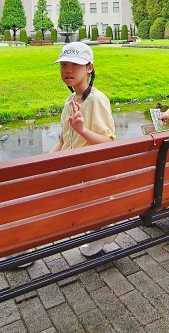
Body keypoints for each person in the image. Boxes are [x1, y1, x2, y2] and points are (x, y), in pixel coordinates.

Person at [51, 42, 117, 257]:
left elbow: (109, 143)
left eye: (75, 64)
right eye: (64, 64)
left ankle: (21, 248)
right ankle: (100, 229)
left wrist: (82, 130)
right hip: (72, 170)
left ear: (89, 67)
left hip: (85, 174)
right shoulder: (70, 100)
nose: (68, 70)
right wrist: (43, 164)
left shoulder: (97, 100)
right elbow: (63, 140)